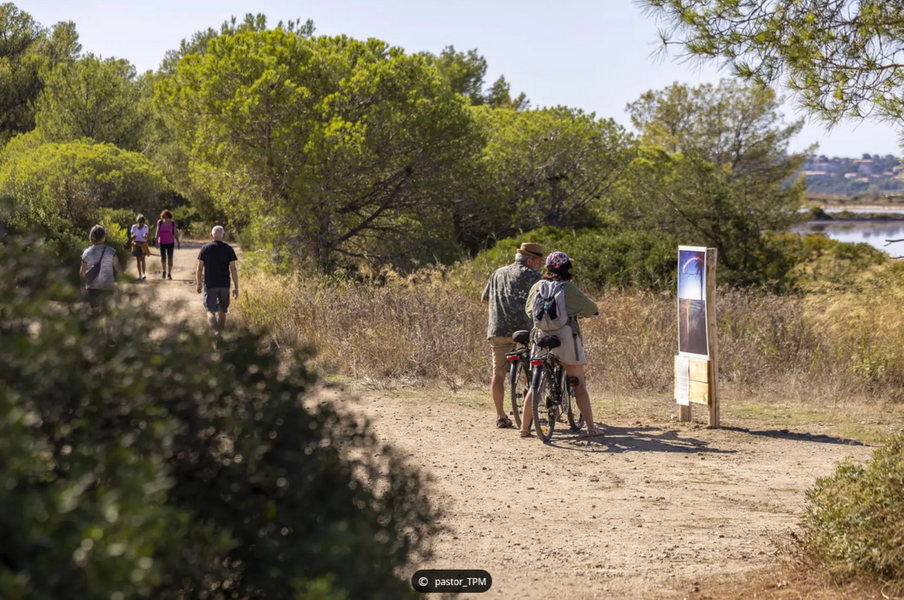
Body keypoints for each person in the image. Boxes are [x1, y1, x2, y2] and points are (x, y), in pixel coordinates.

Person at [519, 251, 602, 438]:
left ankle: (524, 428)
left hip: (540, 337)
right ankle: (591, 427)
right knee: (579, 384)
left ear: (548, 268)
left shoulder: (537, 286)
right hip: (565, 337)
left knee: (535, 385)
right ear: (567, 269)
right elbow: (592, 308)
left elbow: (528, 310)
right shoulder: (568, 288)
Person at [480, 242, 544, 428]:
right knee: (531, 371)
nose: (539, 266)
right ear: (530, 260)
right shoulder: (535, 276)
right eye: (539, 262)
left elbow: (484, 300)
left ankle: (501, 416)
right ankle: (527, 413)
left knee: (498, 374)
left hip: (498, 330)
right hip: (525, 331)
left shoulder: (497, 273)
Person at [196, 225, 239, 333]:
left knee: (210, 311)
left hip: (210, 284)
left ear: (211, 236)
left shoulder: (205, 248)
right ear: (223, 236)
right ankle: (219, 333)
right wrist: (236, 287)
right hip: (225, 284)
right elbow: (233, 269)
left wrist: (198, 284)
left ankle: (215, 331)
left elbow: (199, 268)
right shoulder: (229, 249)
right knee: (222, 312)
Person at [79, 225, 122, 311]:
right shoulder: (111, 251)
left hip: (92, 286)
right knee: (107, 311)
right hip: (108, 285)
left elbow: (82, 272)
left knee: (95, 311)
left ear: (91, 237)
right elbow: (118, 269)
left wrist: (82, 285)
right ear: (103, 237)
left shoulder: (87, 252)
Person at [156, 209, 181, 279]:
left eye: (167, 217)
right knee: (163, 257)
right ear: (162, 217)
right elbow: (157, 232)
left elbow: (175, 233)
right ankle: (164, 271)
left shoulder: (172, 223)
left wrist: (178, 242)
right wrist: (156, 241)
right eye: (164, 217)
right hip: (162, 242)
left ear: (169, 217)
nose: (166, 219)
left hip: (170, 242)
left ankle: (169, 274)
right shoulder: (160, 222)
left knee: (170, 258)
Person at [129, 214, 150, 280]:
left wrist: (145, 236)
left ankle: (144, 274)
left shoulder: (145, 227)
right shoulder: (134, 227)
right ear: (137, 221)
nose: (140, 223)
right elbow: (131, 236)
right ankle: (140, 275)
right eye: (139, 221)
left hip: (143, 244)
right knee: (138, 260)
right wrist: (133, 236)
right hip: (136, 244)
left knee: (143, 259)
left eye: (141, 221)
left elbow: (146, 237)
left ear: (143, 221)